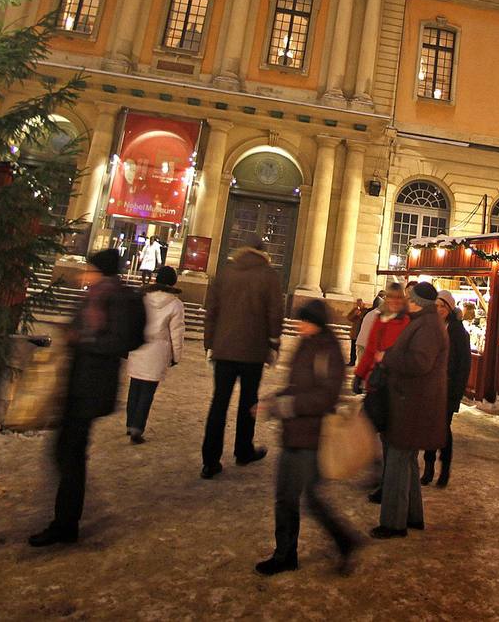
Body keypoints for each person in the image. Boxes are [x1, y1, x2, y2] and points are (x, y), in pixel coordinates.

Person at [30, 248, 146, 547]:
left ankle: (66, 522)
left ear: (100, 270)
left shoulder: (114, 297)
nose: (84, 273)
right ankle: (66, 517)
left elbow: (119, 341)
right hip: (79, 384)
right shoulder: (96, 295)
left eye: (89, 268)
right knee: (67, 452)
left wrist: (82, 339)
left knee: (69, 452)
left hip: (91, 387)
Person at [253, 300, 358, 576]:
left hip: (314, 436)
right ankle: (285, 553)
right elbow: (295, 385)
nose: (299, 325)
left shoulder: (329, 350)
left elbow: (326, 396)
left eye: (303, 321)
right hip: (293, 433)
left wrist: (287, 406)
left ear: (315, 323)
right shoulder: (306, 343)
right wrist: (272, 401)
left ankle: (345, 541)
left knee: (309, 498)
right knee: (285, 497)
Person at [370, 281, 448, 539]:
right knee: (406, 463)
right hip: (412, 403)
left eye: (409, 297)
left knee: (397, 464)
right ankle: (413, 516)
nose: (405, 300)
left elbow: (419, 362)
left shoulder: (427, 326)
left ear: (417, 302)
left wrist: (387, 358)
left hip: (412, 405)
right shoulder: (424, 322)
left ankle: (393, 523)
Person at [201, 242, 283, 478]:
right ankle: (243, 450)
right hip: (252, 351)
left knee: (219, 403)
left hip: (224, 350)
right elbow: (275, 313)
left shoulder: (226, 273)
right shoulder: (268, 275)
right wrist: (273, 343)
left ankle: (209, 460)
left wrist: (210, 344)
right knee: (249, 402)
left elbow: (211, 311)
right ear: (263, 254)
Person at [353, 284, 409, 503]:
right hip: (376, 384)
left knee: (387, 436)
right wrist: (359, 374)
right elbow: (370, 351)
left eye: (398, 298)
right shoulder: (380, 319)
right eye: (391, 297)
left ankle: (386, 480)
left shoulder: (406, 322)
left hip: (392, 387)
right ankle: (377, 469)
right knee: (364, 426)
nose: (394, 301)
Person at [124, 266, 186, 444]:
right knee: (147, 391)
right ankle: (137, 427)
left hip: (139, 346)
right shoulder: (175, 304)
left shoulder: (142, 298)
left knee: (134, 387)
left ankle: (130, 424)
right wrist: (176, 356)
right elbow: (176, 332)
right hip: (158, 350)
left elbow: (133, 322)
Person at [422, 290, 471, 487]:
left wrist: (456, 394)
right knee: (429, 429)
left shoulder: (458, 332)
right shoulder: (432, 327)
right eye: (436, 306)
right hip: (431, 389)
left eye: (443, 306)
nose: (439, 310)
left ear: (449, 308)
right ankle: (428, 469)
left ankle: (444, 469)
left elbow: (464, 365)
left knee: (442, 430)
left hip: (448, 390)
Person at [345, 298, 368, 365]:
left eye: (360, 303)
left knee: (362, 349)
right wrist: (354, 314)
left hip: (362, 332)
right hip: (355, 332)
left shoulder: (366, 311)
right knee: (353, 348)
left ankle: (362, 363)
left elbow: (364, 318)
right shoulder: (355, 310)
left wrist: (360, 314)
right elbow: (349, 318)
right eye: (358, 303)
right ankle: (352, 361)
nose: (359, 304)